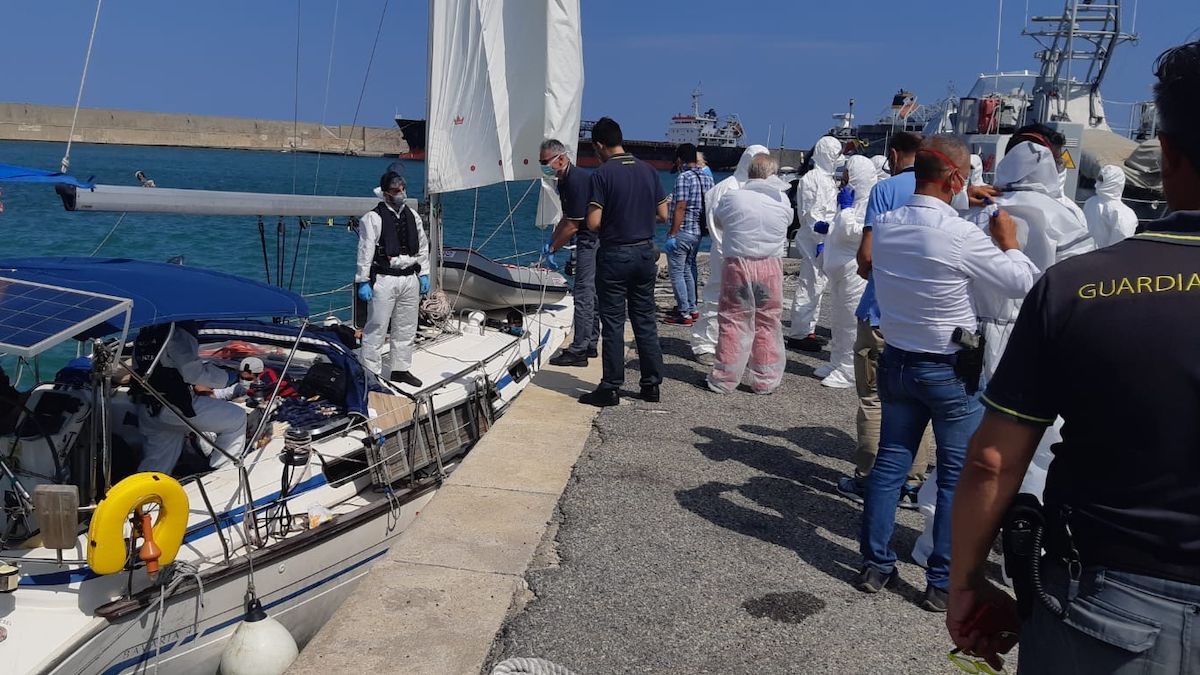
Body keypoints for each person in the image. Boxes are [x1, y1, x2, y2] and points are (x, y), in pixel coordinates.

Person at [949, 40, 1200, 674]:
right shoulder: (1067, 223)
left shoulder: (1079, 286)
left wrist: (966, 581)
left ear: (1167, 154)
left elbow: (991, 460)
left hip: (1111, 601)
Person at [856, 134, 1038, 612]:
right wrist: (1011, 244)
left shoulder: (890, 223)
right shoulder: (961, 235)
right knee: (957, 475)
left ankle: (876, 565)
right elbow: (1021, 283)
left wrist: (961, 201)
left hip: (897, 359)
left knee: (891, 465)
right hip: (950, 366)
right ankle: (941, 581)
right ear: (956, 178)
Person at [838, 131, 932, 508]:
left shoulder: (885, 189)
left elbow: (866, 255)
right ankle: (913, 480)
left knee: (874, 397)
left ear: (893, 154)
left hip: (882, 308)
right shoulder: (946, 191)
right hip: (924, 314)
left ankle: (869, 477)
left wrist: (869, 272)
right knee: (916, 400)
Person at [580, 117, 667, 407]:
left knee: (614, 322)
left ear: (600, 145)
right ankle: (651, 384)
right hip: (645, 252)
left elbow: (593, 222)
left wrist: (615, 219)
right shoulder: (649, 171)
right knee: (645, 320)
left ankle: (611, 387)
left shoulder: (603, 174)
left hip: (616, 254)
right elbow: (663, 214)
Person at [705, 153, 792, 395]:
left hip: (738, 264)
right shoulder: (782, 200)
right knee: (767, 321)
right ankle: (765, 379)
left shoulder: (733, 197)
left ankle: (724, 378)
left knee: (733, 320)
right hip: (770, 267)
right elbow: (788, 222)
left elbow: (719, 221)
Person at [690, 144, 770, 365]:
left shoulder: (760, 188)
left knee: (745, 302)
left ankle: (731, 344)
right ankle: (704, 343)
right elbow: (715, 226)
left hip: (749, 255)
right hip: (725, 253)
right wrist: (729, 251)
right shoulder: (726, 188)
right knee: (715, 297)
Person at [134, 322, 247, 474]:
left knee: (157, 465)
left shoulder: (144, 335)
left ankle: (144, 493)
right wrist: (228, 377)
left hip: (148, 409)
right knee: (237, 418)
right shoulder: (177, 334)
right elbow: (193, 373)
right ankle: (221, 472)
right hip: (175, 408)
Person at [356, 170, 430, 388]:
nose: (401, 194)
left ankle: (400, 369)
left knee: (406, 326)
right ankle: (370, 373)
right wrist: (363, 280)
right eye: (396, 191)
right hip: (385, 279)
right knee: (377, 327)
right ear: (386, 193)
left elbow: (423, 246)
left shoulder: (412, 215)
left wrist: (424, 273)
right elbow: (365, 250)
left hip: (409, 277)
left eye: (402, 189)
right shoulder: (373, 218)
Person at [817, 155, 877, 388]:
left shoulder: (869, 201)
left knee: (851, 321)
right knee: (838, 319)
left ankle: (850, 371)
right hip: (840, 269)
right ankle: (837, 361)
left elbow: (856, 232)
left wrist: (845, 210)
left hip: (854, 271)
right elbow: (842, 227)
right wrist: (829, 228)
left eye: (848, 175)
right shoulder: (855, 200)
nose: (844, 179)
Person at [539, 139, 598, 367]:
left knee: (583, 293)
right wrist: (552, 240)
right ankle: (590, 342)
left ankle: (579, 349)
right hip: (587, 236)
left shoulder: (576, 180)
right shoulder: (563, 181)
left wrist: (553, 248)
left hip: (592, 239)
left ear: (560, 159)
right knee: (590, 293)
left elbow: (573, 224)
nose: (543, 166)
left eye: (545, 162)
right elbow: (566, 217)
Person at [786, 135, 842, 352]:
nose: (839, 158)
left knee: (817, 287)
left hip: (823, 240)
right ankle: (799, 333)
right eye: (836, 154)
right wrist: (821, 240)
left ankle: (808, 329)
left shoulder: (826, 178)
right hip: (814, 241)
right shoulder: (813, 179)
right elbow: (812, 215)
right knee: (809, 286)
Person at [664, 143, 714, 326]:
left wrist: (672, 234)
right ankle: (693, 309)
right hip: (699, 232)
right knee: (689, 268)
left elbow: (680, 207)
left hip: (684, 231)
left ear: (680, 159)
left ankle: (683, 312)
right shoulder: (708, 178)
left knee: (676, 272)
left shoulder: (684, 177)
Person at [1083, 164, 1139, 248]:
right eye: (1098, 178)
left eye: (1101, 179)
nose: (1097, 182)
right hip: (1098, 256)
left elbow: (1121, 242)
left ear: (1113, 182)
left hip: (1094, 256)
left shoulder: (1121, 213)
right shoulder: (1124, 213)